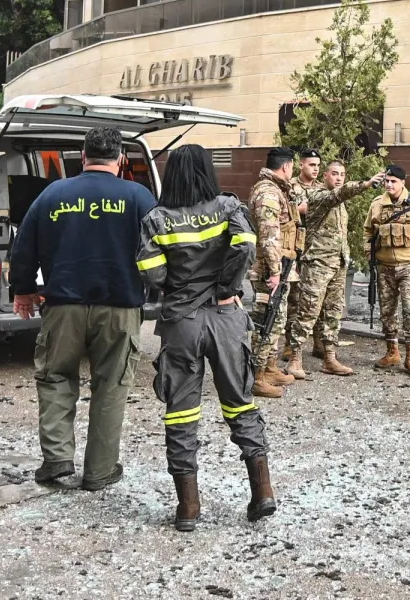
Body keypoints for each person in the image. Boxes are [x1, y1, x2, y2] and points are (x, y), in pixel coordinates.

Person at [136, 144, 276, 532]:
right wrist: (226, 286)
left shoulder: (156, 219)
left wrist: (181, 287)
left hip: (181, 321)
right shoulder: (228, 207)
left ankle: (188, 509)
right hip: (226, 317)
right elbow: (246, 247)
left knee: (181, 412)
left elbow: (150, 272)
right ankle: (263, 493)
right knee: (240, 402)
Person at [10, 126, 156, 491]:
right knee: (111, 387)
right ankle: (99, 471)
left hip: (63, 307)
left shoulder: (53, 193)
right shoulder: (139, 197)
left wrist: (24, 290)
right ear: (121, 159)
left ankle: (57, 458)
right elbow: (159, 249)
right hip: (120, 308)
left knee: (55, 377)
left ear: (84, 155)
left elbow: (24, 247)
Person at [291, 160, 384, 376]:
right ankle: (295, 358)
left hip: (338, 262)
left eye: (342, 174)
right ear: (325, 176)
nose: (339, 178)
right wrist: (366, 184)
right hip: (318, 263)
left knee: (333, 312)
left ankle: (330, 358)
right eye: (334, 173)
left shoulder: (339, 203)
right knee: (308, 311)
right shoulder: (318, 196)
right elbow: (339, 194)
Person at [364, 165, 410, 376]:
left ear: (403, 182)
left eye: (393, 181)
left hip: (409, 266)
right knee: (387, 311)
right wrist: (369, 254)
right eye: (386, 181)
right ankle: (392, 352)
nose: (389, 185)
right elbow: (368, 231)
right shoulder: (377, 204)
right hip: (384, 266)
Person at [247, 147, 302, 398]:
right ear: (286, 166)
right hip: (270, 270)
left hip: (281, 267)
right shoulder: (268, 192)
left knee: (277, 320)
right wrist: (275, 270)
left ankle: (269, 368)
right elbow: (269, 235)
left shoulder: (277, 190)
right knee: (266, 322)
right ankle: (256, 377)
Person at [282, 148, 321, 377]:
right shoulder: (291, 187)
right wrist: (305, 208)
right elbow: (286, 212)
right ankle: (290, 343)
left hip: (317, 248)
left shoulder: (322, 188)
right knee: (295, 298)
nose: (315, 169)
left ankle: (318, 342)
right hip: (296, 247)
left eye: (318, 165)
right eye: (311, 165)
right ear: (301, 165)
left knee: (317, 297)